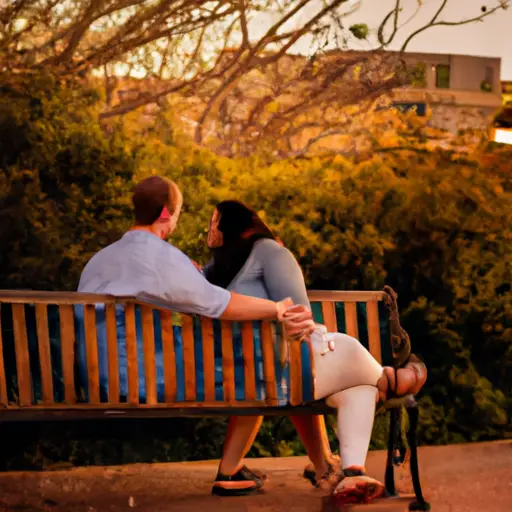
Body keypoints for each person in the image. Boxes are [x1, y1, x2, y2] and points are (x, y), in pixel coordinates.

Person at [203, 200, 427, 505]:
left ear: (234, 227)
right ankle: (394, 379)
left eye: (215, 221)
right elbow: (301, 316)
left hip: (254, 372)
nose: (210, 229)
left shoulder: (219, 271)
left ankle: (351, 473)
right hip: (284, 370)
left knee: (358, 389)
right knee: (361, 373)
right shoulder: (267, 252)